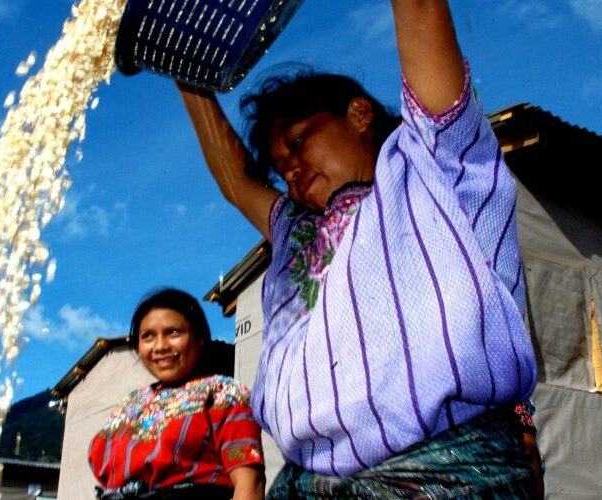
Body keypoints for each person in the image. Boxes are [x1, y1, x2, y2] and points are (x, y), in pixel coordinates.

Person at [177, 1, 539, 496]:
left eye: (300, 143)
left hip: (443, 473)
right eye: (282, 170)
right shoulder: (298, 231)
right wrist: (184, 76)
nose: (293, 173)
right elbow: (235, 181)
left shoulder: (433, 169)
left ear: (359, 113)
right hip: (307, 481)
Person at [88, 288, 266, 499]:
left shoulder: (224, 395)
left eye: (173, 332)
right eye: (148, 336)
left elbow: (250, 483)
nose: (161, 346)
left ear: (199, 337)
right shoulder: (129, 406)